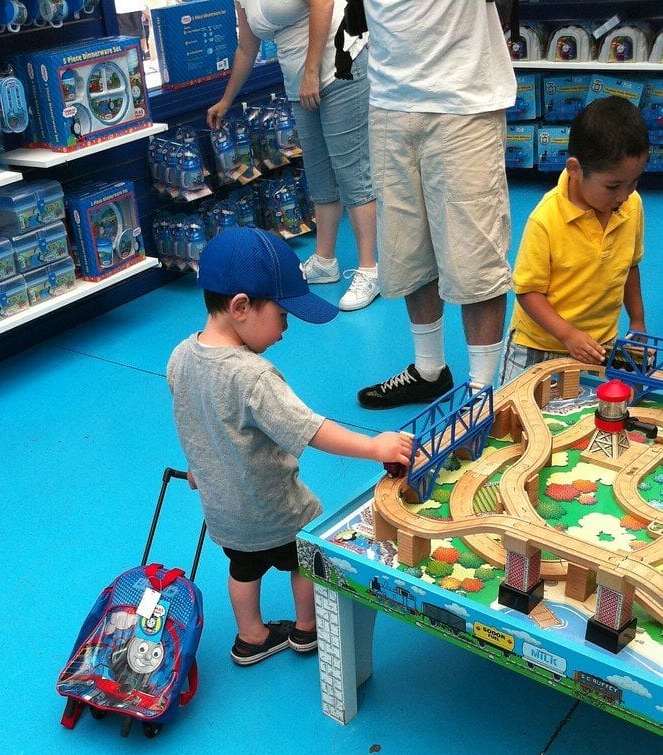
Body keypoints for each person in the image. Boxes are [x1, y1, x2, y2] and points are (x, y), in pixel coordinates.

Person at [166, 227, 412, 667]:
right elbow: (310, 429)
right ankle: (306, 629)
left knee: (243, 569)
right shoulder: (252, 376)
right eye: (282, 314)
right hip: (275, 509)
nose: (285, 329)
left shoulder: (180, 357)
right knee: (305, 556)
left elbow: (193, 424)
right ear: (241, 307)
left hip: (222, 511)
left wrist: (198, 470)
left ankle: (251, 636)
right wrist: (375, 446)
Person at [356, 0, 516, 409]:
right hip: (390, 99)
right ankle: (428, 370)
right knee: (408, 249)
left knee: (474, 255)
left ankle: (482, 393)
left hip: (463, 99)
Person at [206, 0, 379, 313]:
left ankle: (370, 270)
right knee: (319, 172)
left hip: (339, 65)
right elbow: (247, 48)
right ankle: (326, 261)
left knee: (351, 169)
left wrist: (311, 72)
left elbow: (324, 3)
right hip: (299, 81)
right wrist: (226, 100)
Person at [499, 96, 649, 386]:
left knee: (594, 419)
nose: (624, 195)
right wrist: (567, 334)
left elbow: (631, 266)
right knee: (513, 420)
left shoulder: (632, 207)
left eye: (634, 182)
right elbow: (528, 292)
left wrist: (638, 321)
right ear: (575, 169)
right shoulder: (545, 219)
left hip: (599, 344)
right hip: (537, 345)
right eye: (613, 186)